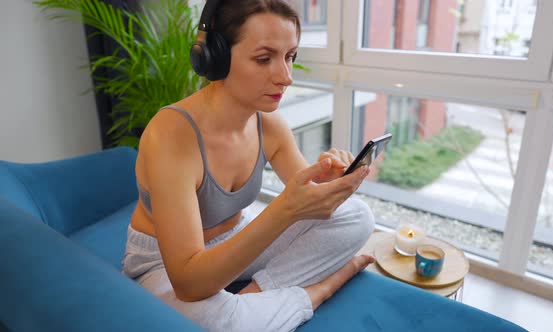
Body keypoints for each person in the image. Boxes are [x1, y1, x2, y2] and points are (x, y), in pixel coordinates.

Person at [122, 0, 375, 331]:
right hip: (165, 265)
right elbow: (188, 283)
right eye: (263, 59)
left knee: (357, 216)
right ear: (215, 57)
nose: (285, 77)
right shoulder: (171, 135)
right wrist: (285, 210)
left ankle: (254, 297)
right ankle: (316, 292)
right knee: (213, 322)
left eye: (290, 57)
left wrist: (328, 183)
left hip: (236, 240)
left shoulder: (269, 126)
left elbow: (314, 206)